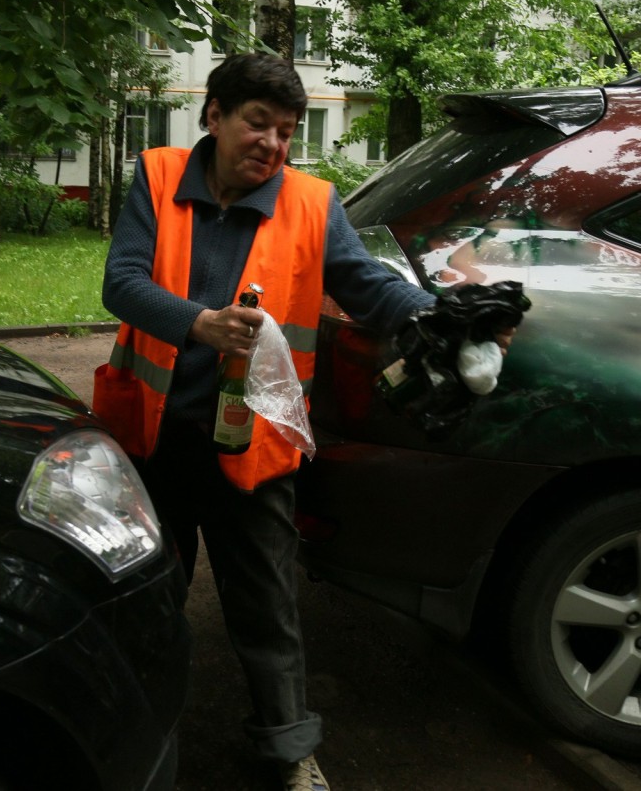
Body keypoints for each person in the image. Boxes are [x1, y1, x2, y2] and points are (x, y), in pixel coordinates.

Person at [95, 52, 435, 791]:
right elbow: (121, 283)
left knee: (267, 605)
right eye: (258, 124)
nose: (274, 145)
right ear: (214, 115)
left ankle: (289, 750)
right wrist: (201, 324)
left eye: (286, 131)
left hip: (252, 446)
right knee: (146, 598)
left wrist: (437, 316)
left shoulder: (312, 204)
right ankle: (134, 739)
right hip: (154, 439)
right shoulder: (158, 177)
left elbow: (368, 287)